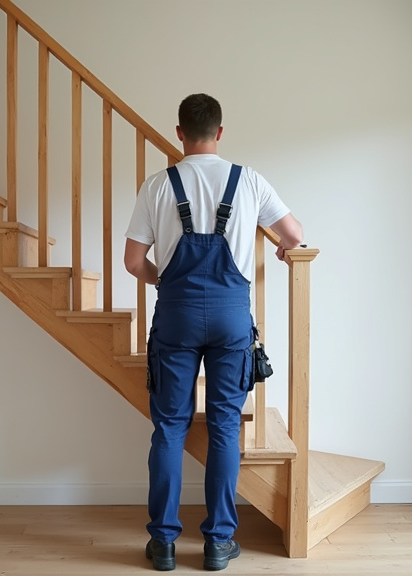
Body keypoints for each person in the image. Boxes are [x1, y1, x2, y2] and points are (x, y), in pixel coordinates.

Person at [124, 93, 303, 571]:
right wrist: (286, 250)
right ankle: (218, 543)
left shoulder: (158, 184)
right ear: (220, 133)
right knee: (224, 428)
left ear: (180, 133)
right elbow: (293, 234)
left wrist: (168, 281)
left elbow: (133, 262)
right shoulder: (250, 181)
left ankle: (162, 543)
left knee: (169, 429)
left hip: (176, 316)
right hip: (231, 318)